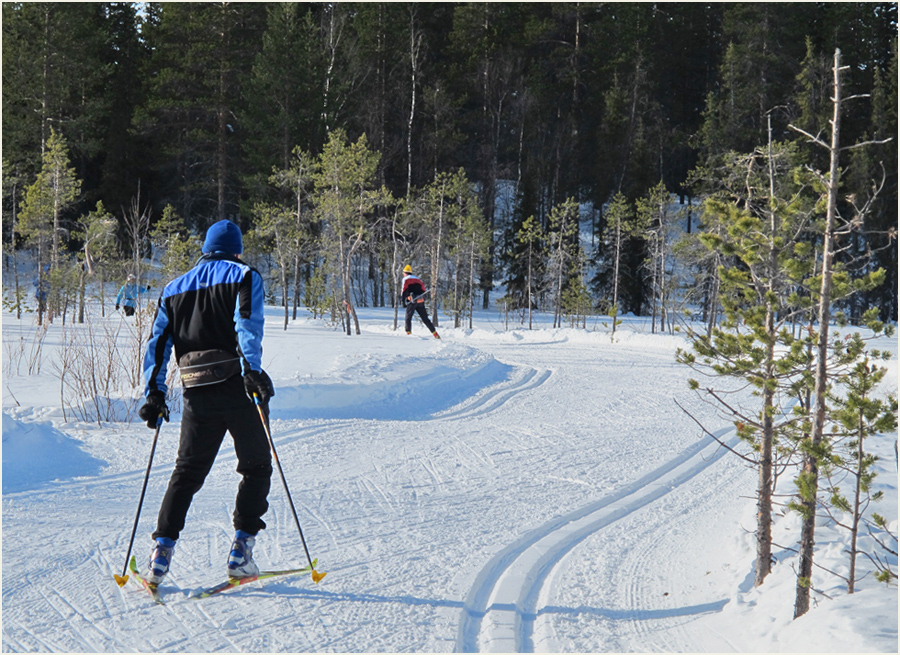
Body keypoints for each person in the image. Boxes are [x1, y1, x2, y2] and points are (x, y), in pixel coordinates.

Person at [138, 219, 275, 585]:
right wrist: (252, 370)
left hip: (195, 390)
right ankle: (241, 551)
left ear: (205, 248)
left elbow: (159, 343)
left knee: (187, 472)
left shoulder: (173, 288)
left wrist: (154, 392)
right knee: (257, 466)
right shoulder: (245, 275)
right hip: (236, 385)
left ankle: (160, 555)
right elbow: (246, 324)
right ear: (237, 249)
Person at [400, 264, 440, 339]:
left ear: (405, 273)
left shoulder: (405, 279)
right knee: (425, 319)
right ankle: (436, 334)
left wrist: (403, 301)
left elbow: (404, 290)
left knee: (408, 318)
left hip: (412, 301)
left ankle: (408, 333)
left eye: (403, 273)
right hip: (420, 300)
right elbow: (423, 290)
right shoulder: (417, 279)